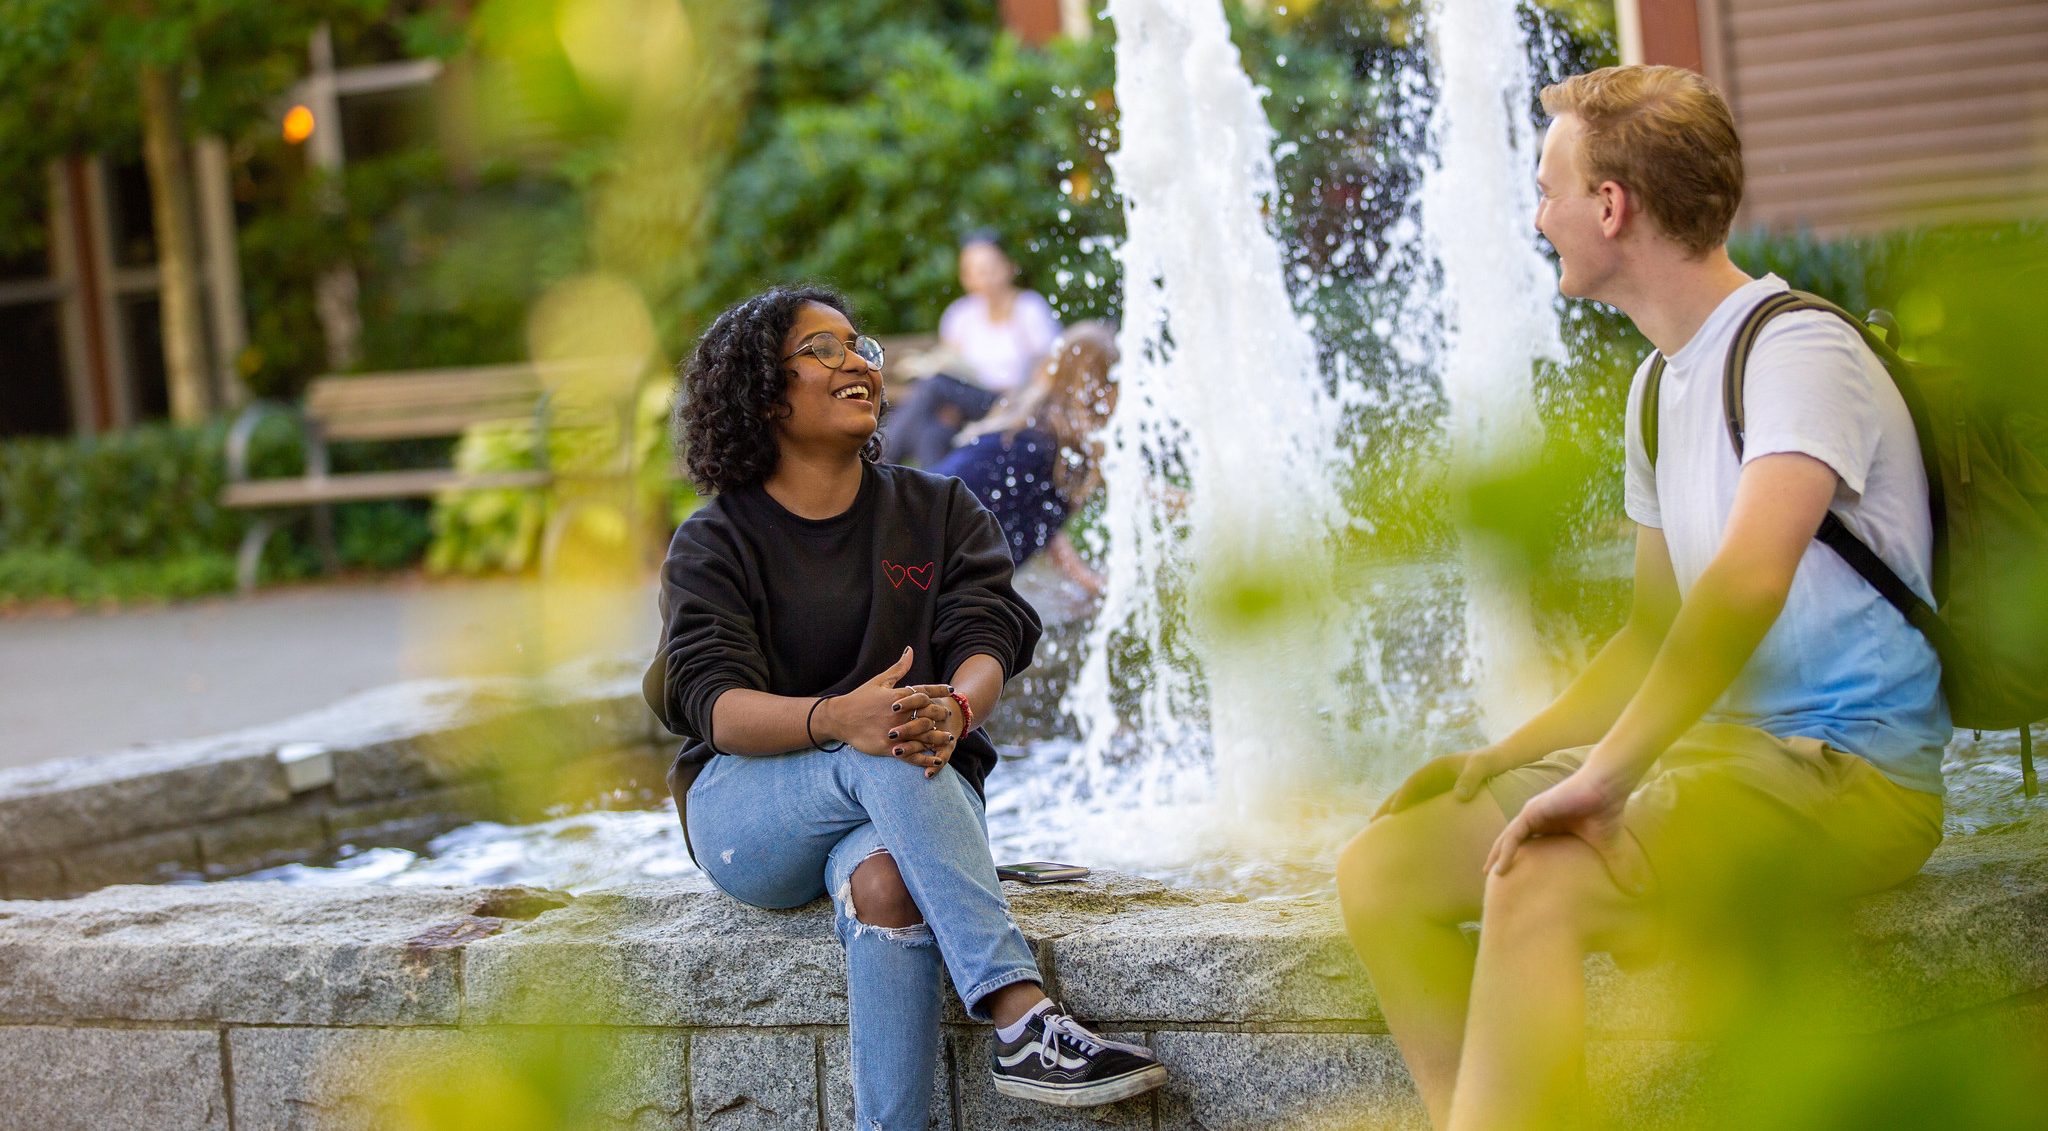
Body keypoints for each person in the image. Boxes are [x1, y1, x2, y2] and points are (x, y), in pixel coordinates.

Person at [1336, 65, 1947, 1131]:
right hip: (1719, 765)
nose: (1538, 217)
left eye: (1546, 190)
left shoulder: (1798, 351)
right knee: (1382, 864)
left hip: (1846, 775)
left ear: (1609, 206)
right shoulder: (1660, 384)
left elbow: (1743, 586)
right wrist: (1502, 756)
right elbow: (1653, 632)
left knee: (1534, 872)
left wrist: (1601, 779)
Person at [644, 285, 1166, 1129]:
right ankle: (1021, 1014)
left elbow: (988, 637)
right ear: (763, 390)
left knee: (887, 882)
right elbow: (716, 706)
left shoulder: (936, 510)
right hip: (749, 811)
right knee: (879, 739)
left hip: (902, 784)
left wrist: (959, 708)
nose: (858, 362)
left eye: (861, 346)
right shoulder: (716, 539)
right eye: (822, 349)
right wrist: (835, 718)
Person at [931, 321, 1118, 594]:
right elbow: (1139, 490)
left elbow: (1041, 515)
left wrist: (1083, 578)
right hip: (926, 560)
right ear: (1099, 388)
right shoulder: (1046, 448)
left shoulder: (1038, 434)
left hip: (920, 540)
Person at [884, 232, 1063, 467]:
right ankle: (937, 501)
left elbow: (1048, 368)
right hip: (967, 404)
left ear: (1009, 267)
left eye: (990, 268)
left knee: (936, 384)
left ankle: (878, 461)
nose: (984, 277)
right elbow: (951, 364)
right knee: (932, 434)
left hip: (1011, 402)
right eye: (975, 271)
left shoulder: (1029, 308)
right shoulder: (960, 315)